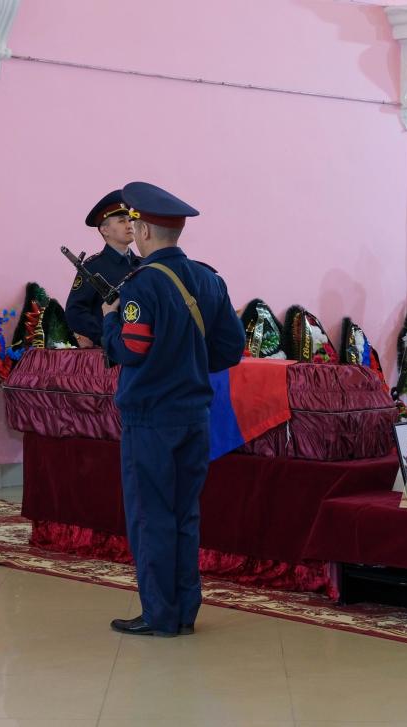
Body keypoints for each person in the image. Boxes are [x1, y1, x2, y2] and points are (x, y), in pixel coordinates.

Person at [101, 181, 245, 637]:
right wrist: (190, 363)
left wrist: (109, 322)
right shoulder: (208, 278)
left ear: (143, 231)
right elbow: (231, 348)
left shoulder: (142, 285)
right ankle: (185, 610)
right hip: (195, 415)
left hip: (151, 419)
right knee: (185, 514)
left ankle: (160, 614)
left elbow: (132, 348)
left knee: (151, 515)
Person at [64, 190, 139, 348]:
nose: (129, 225)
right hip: (109, 356)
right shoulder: (93, 267)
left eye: (129, 220)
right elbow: (75, 311)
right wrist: (105, 335)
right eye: (121, 221)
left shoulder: (144, 264)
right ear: (104, 230)